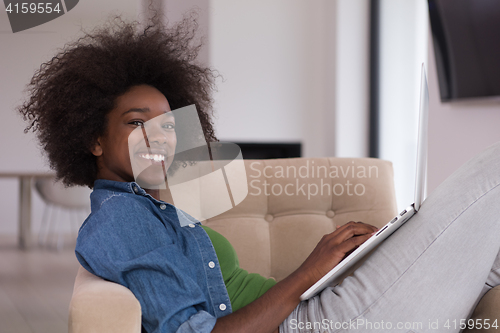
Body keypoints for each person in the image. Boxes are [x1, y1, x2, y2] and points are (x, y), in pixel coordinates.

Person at [18, 15, 500, 333]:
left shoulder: (155, 208)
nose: (159, 138)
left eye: (167, 125)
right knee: (490, 175)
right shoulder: (119, 221)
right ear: (93, 138)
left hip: (319, 308)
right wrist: (311, 269)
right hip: (322, 322)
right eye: (136, 123)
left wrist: (330, 267)